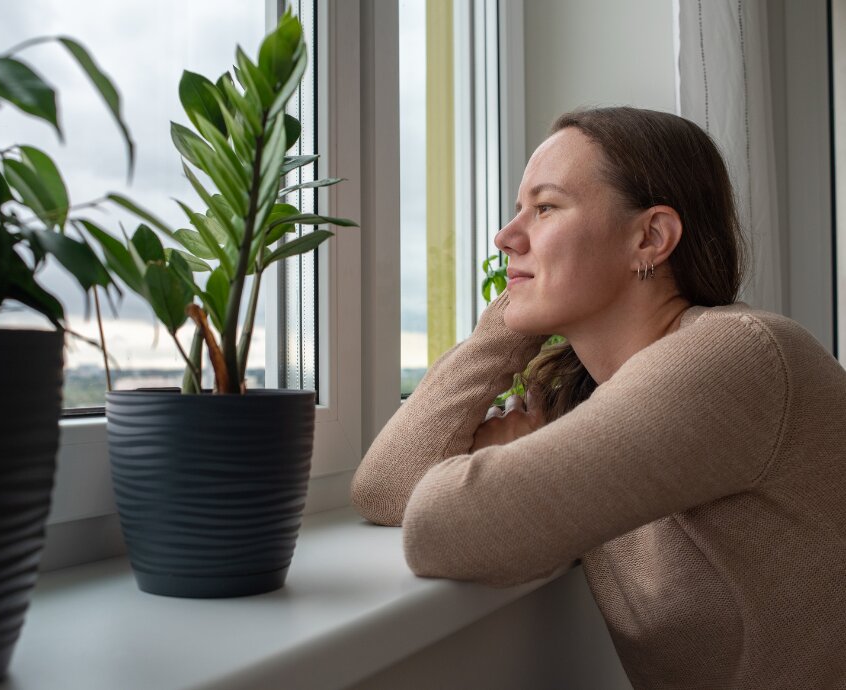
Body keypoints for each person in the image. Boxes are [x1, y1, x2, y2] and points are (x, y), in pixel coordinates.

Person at [351, 107, 846, 689]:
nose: (507, 236)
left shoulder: (742, 358)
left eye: (545, 208)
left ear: (650, 237)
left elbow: (442, 524)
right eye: (518, 210)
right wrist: (509, 323)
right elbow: (383, 487)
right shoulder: (584, 399)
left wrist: (506, 466)